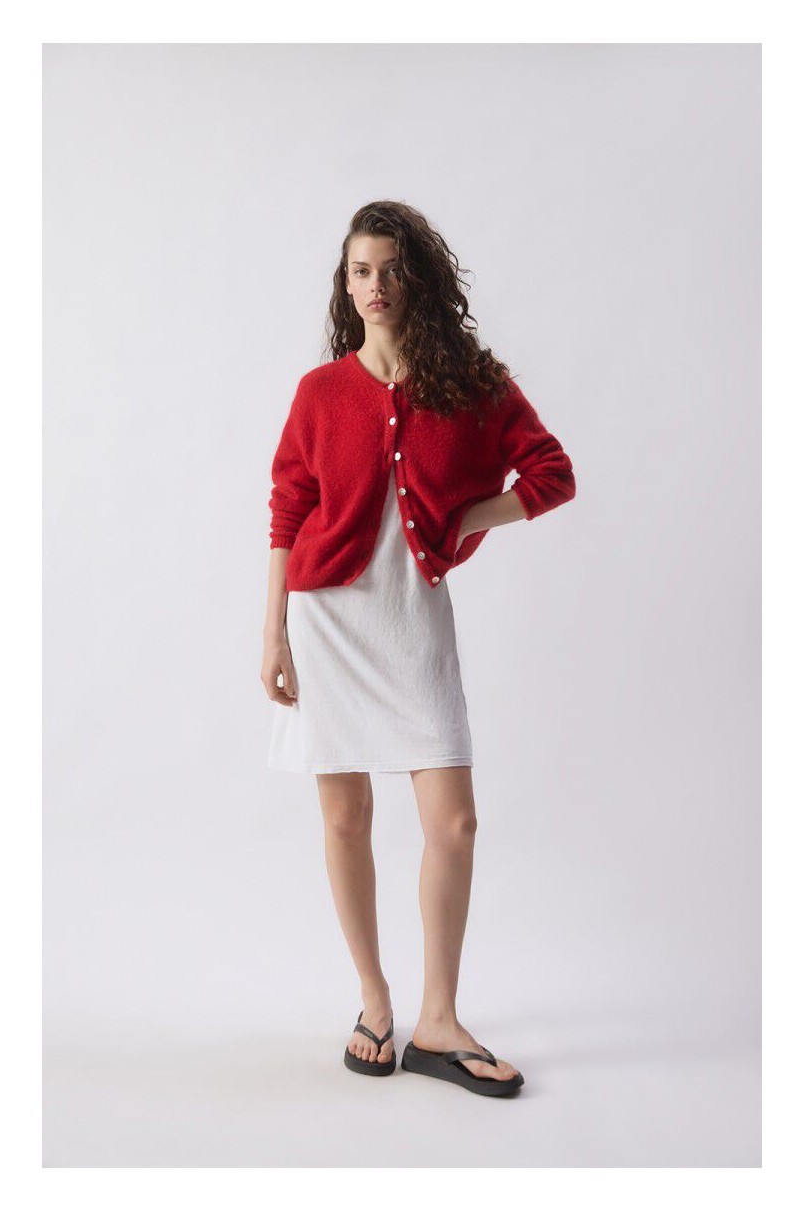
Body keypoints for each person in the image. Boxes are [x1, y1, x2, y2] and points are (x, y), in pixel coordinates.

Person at [261, 201, 576, 1097]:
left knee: (454, 824)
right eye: (361, 271)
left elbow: (552, 473)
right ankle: (375, 1000)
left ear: (418, 280)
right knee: (345, 819)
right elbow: (288, 507)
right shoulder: (320, 392)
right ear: (345, 283)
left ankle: (439, 1021)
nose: (375, 287)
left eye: (392, 270)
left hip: (412, 622)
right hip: (327, 622)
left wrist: (463, 518)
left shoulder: (471, 383)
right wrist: (273, 630)